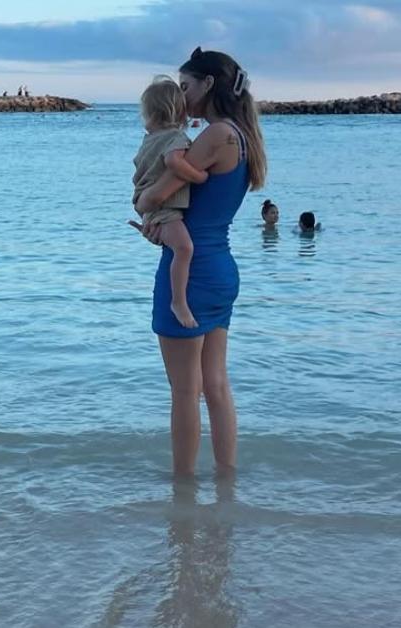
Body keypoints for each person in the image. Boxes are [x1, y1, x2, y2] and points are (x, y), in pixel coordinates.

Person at [132, 47, 267, 476]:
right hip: (221, 268)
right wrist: (163, 225)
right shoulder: (242, 136)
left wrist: (145, 204)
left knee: (184, 391)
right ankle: (227, 483)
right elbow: (200, 209)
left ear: (208, 84)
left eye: (186, 85)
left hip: (192, 273)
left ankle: (183, 490)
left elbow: (154, 196)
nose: (181, 94)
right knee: (216, 385)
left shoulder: (214, 135)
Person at [133, 76, 209, 328]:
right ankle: (178, 301)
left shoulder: (150, 138)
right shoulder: (175, 138)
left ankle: (178, 300)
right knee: (184, 249)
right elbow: (174, 163)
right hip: (164, 208)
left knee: (177, 247)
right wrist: (199, 176)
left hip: (150, 205)